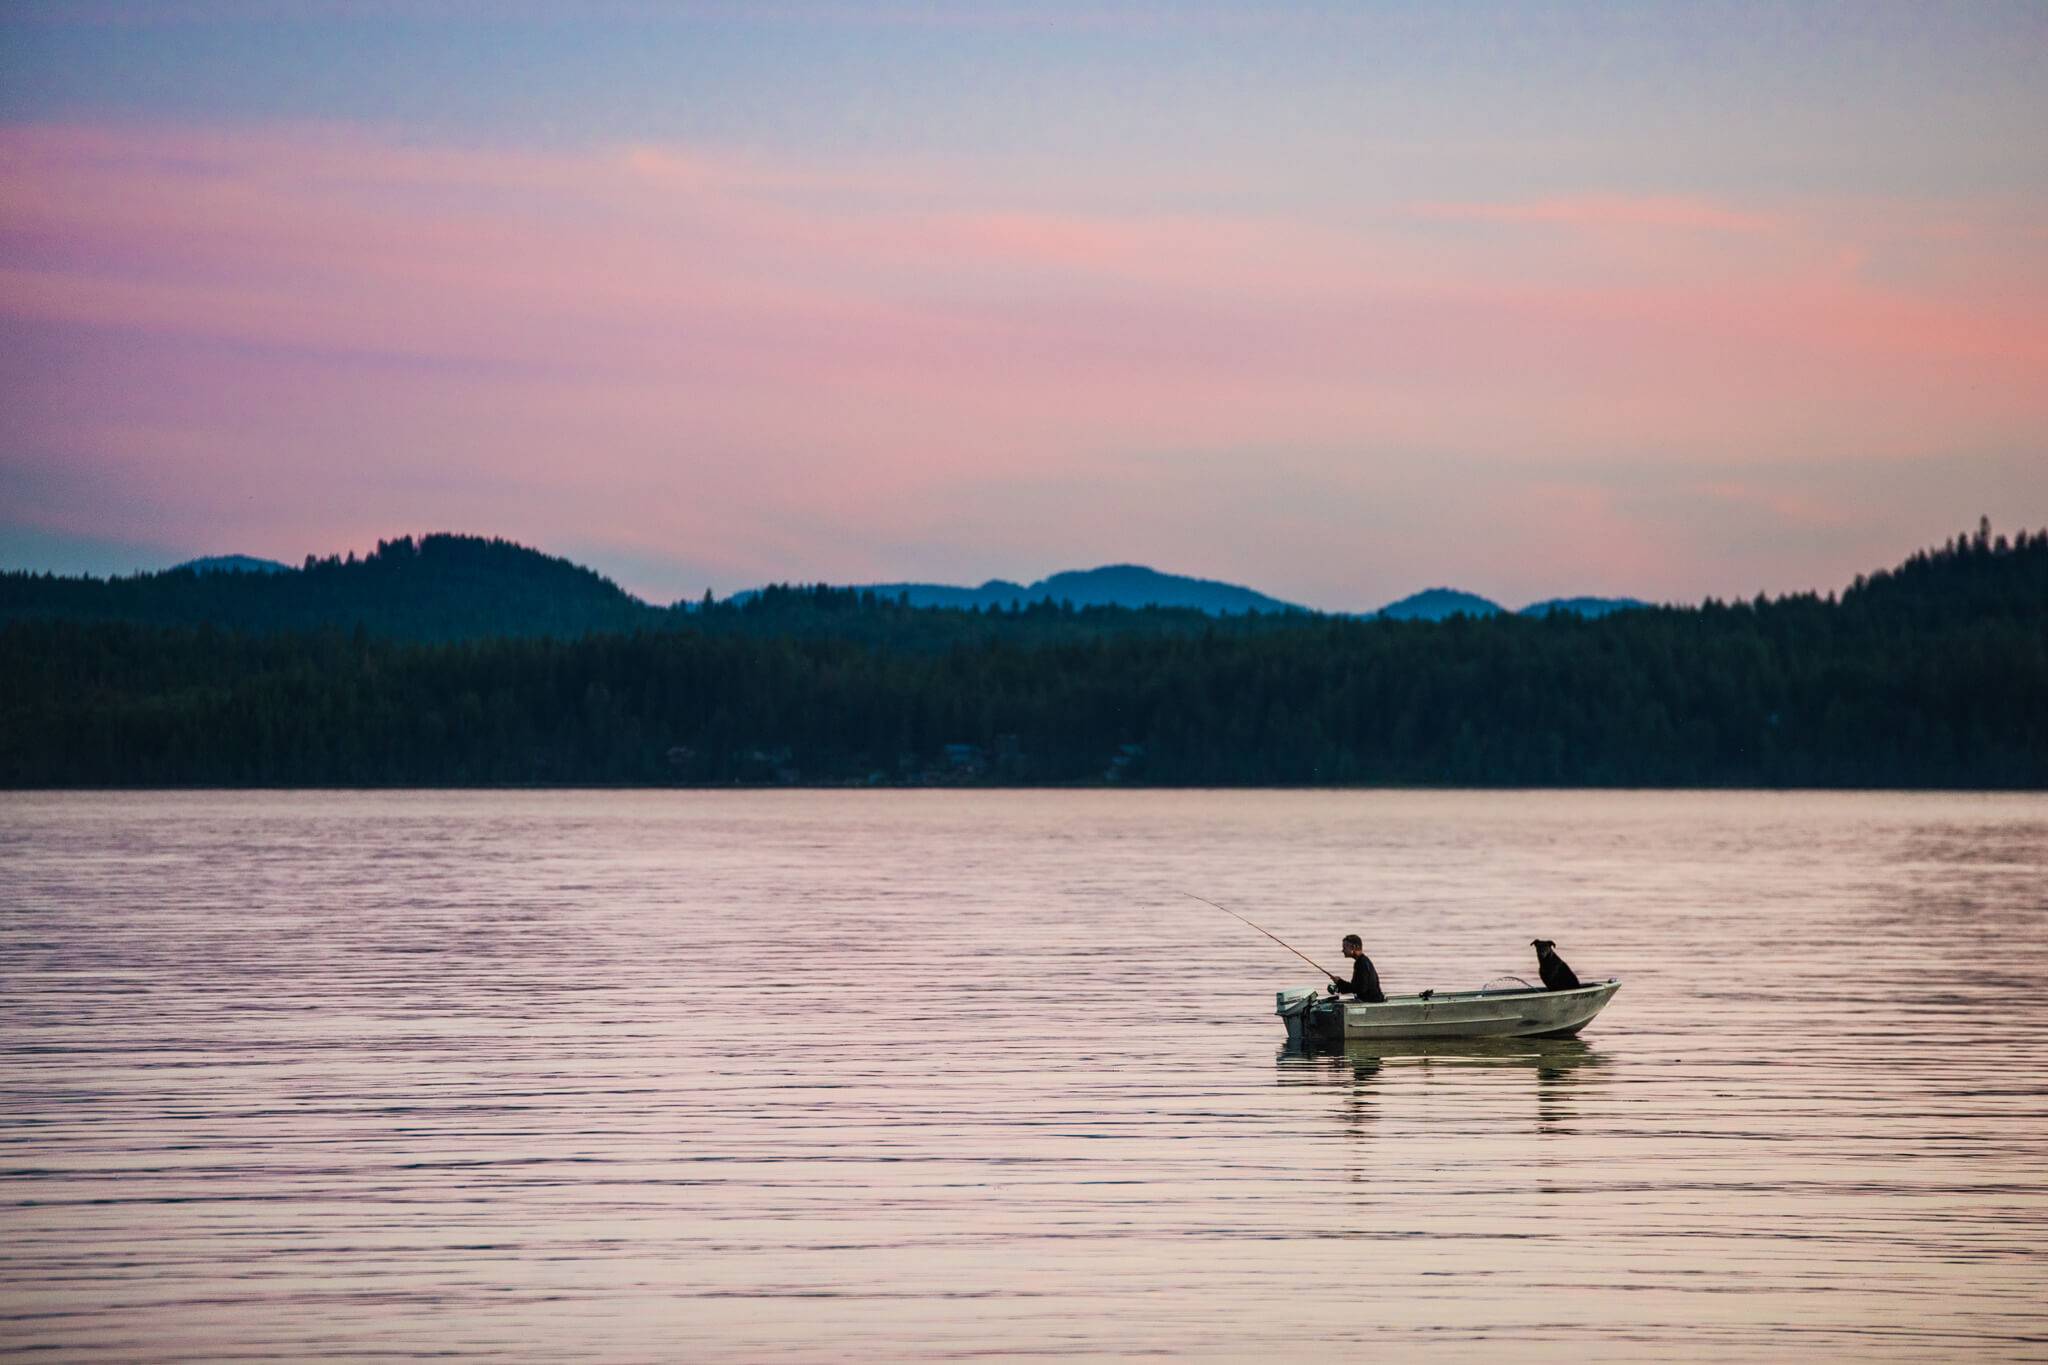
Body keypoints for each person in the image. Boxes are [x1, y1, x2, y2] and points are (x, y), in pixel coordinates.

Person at [1328, 934, 1386, 1003]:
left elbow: (1360, 989)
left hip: (1371, 1001)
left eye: (1344, 948)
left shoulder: (1361, 963)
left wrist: (1339, 982)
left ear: (1353, 947)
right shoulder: (1363, 961)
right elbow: (1357, 987)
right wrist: (1340, 983)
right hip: (1371, 999)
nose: (1342, 950)